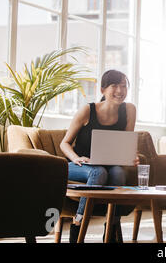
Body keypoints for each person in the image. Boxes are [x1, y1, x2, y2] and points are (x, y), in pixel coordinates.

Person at [60, 69, 139, 243]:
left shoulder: (130, 110)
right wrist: (76, 158)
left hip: (109, 165)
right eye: (114, 86)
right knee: (98, 172)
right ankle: (78, 225)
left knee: (118, 173)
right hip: (78, 166)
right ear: (103, 90)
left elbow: (125, 144)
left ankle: (111, 229)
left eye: (124, 86)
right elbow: (64, 143)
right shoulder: (87, 110)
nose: (120, 90)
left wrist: (130, 157)